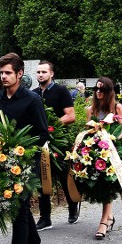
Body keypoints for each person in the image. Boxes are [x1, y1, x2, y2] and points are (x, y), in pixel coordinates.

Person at [0, 52, 48, 244]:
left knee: (19, 209)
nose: (3, 76)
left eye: (8, 72)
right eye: (1, 72)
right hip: (1, 162)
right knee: (19, 210)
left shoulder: (32, 100)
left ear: (20, 74)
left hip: (26, 164)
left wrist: (22, 156)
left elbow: (42, 134)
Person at [33, 60, 79, 230]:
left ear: (51, 74)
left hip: (59, 141)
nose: (40, 75)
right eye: (38, 72)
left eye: (44, 72)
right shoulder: (33, 94)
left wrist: (53, 126)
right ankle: (45, 218)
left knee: (64, 175)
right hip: (40, 142)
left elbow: (71, 116)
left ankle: (73, 206)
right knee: (42, 177)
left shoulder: (61, 91)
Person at [86, 76, 122, 239]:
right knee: (102, 185)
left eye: (101, 89)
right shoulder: (91, 110)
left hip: (115, 150)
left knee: (109, 185)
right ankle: (109, 217)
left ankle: (104, 221)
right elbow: (88, 129)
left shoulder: (117, 107)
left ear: (109, 91)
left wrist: (113, 139)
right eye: (96, 89)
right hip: (97, 150)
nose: (98, 92)